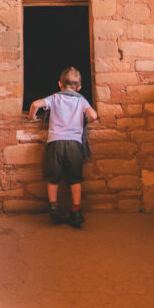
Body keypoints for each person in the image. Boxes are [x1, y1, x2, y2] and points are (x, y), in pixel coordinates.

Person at [28, 65, 98, 227]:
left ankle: (53, 207)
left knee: (53, 178)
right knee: (75, 179)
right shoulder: (81, 100)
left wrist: (32, 118)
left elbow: (35, 104)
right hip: (74, 144)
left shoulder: (55, 98)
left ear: (60, 84)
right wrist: (86, 120)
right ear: (79, 87)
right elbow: (93, 115)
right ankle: (76, 210)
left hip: (55, 143)